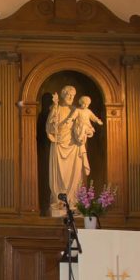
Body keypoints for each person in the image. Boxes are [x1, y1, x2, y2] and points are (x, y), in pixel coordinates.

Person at [45, 85, 91, 216]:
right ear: (62, 95)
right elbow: (49, 126)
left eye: (73, 95)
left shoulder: (76, 110)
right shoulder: (56, 108)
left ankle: (73, 201)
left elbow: (84, 124)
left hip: (74, 146)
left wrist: (85, 131)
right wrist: (54, 108)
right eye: (68, 95)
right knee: (59, 174)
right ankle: (59, 201)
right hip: (59, 144)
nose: (71, 97)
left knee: (75, 174)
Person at [69, 95, 104, 176]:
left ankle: (81, 138)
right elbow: (73, 116)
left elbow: (93, 117)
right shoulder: (78, 110)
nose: (85, 106)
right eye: (84, 104)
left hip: (87, 128)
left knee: (85, 127)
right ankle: (80, 139)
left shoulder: (88, 111)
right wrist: (70, 119)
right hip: (79, 128)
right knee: (82, 129)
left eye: (87, 104)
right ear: (81, 103)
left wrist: (98, 121)